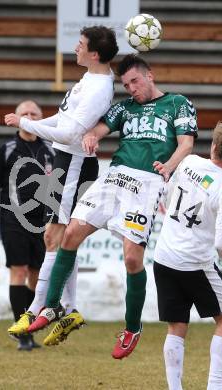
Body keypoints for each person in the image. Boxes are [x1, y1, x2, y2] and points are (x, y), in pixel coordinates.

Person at [27, 54, 198, 359]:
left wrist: (169, 166)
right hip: (114, 177)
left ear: (150, 76)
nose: (131, 88)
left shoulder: (177, 103)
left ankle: (132, 327)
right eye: (126, 83)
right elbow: (99, 130)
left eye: (135, 81)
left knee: (132, 259)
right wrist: (92, 137)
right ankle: (52, 306)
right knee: (70, 234)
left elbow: (185, 143)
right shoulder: (124, 108)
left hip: (146, 182)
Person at [4, 26, 119, 338]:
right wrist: (32, 124)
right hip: (64, 164)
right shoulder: (90, 79)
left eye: (81, 45)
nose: (76, 48)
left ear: (94, 54)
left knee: (55, 240)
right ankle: (68, 308)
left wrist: (27, 123)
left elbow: (70, 134)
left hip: (74, 166)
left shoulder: (99, 89)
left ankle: (36, 310)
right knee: (58, 239)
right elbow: (63, 119)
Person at [153, 122, 222, 390]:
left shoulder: (188, 162)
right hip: (195, 264)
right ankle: (214, 387)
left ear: (213, 146)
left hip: (164, 257)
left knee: (177, 325)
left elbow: (166, 194)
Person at [0, 100, 55, 351]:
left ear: (41, 118)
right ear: (16, 117)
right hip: (12, 220)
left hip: (42, 223)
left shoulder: (51, 151)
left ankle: (28, 327)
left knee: (36, 276)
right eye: (25, 113)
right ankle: (22, 333)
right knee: (18, 272)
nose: (29, 116)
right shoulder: (7, 148)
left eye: (34, 113)